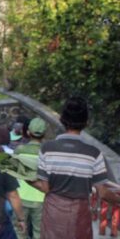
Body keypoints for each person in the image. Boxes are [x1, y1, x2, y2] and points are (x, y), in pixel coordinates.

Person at [35, 97, 120, 239]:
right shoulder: (93, 153)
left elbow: (45, 187)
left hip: (53, 215)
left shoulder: (47, 149)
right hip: (79, 215)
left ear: (62, 119)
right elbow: (103, 193)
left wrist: (26, 179)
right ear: (86, 122)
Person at [13, 117, 47, 239]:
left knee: (19, 232)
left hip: (20, 197)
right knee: (39, 233)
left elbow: (12, 173)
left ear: (28, 132)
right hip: (41, 199)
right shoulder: (47, 153)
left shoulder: (19, 150)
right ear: (44, 134)